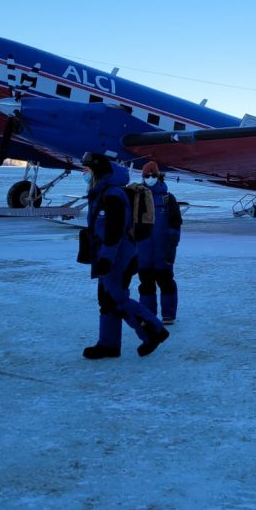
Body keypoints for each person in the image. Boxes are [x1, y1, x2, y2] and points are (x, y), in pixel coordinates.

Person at [80, 153, 170, 360]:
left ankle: (154, 331)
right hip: (109, 255)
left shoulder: (113, 195)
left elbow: (115, 232)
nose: (83, 174)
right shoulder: (101, 192)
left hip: (117, 258)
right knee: (107, 300)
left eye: (86, 170)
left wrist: (106, 259)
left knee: (117, 298)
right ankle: (108, 345)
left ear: (98, 171)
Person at [136, 161, 182, 326]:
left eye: (153, 175)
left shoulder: (168, 199)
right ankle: (148, 315)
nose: (150, 178)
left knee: (166, 282)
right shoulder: (137, 197)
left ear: (159, 176)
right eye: (146, 176)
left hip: (163, 251)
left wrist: (171, 246)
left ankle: (168, 315)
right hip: (143, 251)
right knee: (146, 284)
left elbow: (175, 225)